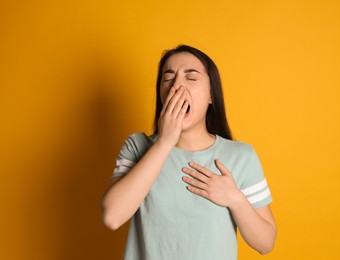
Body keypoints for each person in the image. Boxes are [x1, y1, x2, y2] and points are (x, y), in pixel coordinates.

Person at [101, 45, 277, 260]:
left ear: (212, 95)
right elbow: (112, 217)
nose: (177, 86)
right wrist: (165, 142)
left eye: (191, 78)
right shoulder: (137, 146)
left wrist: (235, 199)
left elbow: (266, 243)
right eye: (168, 79)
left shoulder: (241, 156)